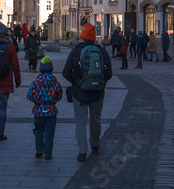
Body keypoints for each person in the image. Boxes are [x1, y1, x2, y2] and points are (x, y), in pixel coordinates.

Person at [62, 23, 113, 162]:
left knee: (80, 121)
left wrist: (77, 82)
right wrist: (99, 83)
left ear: (83, 37)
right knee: (95, 119)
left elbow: (65, 73)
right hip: (97, 93)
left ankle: (82, 151)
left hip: (80, 93)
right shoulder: (101, 52)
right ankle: (95, 145)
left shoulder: (76, 51)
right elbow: (109, 74)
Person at [26, 54, 63, 160]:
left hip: (38, 110)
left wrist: (37, 101)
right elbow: (59, 95)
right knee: (49, 132)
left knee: (38, 130)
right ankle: (48, 152)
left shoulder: (36, 81)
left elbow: (29, 95)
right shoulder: (54, 81)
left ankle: (39, 148)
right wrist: (53, 101)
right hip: (51, 110)